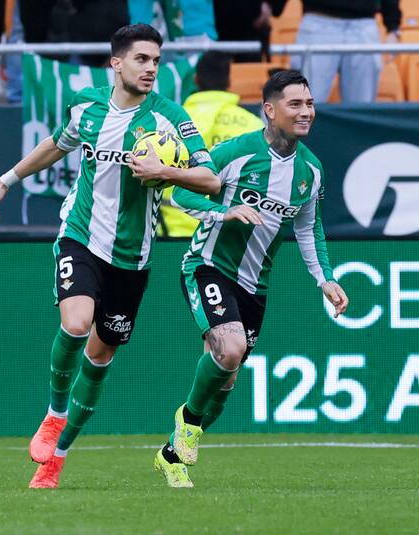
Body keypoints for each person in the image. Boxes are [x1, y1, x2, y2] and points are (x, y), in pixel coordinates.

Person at [0, 23, 220, 489]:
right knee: (74, 322)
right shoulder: (87, 106)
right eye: (141, 59)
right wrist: (6, 180)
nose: (151, 68)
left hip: (133, 255)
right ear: (117, 63)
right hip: (81, 235)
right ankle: (53, 414)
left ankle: (58, 455)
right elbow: (56, 144)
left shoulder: (170, 117)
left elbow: (210, 179)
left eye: (156, 60)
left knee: (101, 352)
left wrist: (164, 170)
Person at [152, 70, 349, 488]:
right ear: (270, 110)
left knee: (228, 377)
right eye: (295, 104)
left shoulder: (311, 171)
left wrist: (324, 279)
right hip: (208, 265)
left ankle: (173, 454)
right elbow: (180, 190)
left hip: (255, 284)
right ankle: (186, 424)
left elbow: (308, 229)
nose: (305, 112)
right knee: (230, 349)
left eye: (309, 104)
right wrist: (223, 212)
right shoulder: (236, 152)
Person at [159, 51, 264, 237]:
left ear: (196, 80)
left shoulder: (168, 123)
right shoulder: (254, 126)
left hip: (171, 234)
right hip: (228, 236)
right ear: (229, 82)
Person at [292, 0, 401, 103]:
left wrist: (393, 26)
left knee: (361, 110)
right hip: (317, 19)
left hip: (363, 24)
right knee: (303, 107)